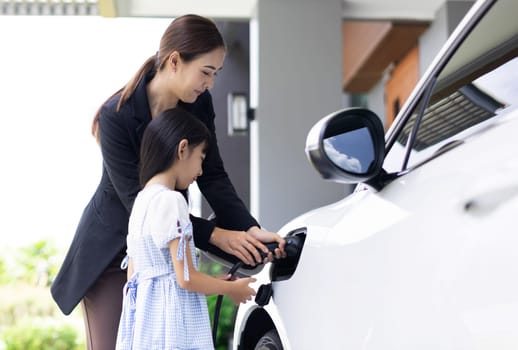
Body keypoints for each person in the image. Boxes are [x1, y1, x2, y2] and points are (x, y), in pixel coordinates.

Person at [51, 14, 285, 350]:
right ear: (175, 61)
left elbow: (214, 173)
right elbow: (141, 203)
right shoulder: (115, 116)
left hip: (169, 253)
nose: (211, 84)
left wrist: (248, 232)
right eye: (206, 72)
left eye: (216, 74)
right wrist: (219, 235)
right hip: (114, 254)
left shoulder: (198, 103)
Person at [115, 108, 256, 350]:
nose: (200, 171)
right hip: (174, 328)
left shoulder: (141, 202)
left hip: (147, 328)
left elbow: (142, 276)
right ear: (182, 149)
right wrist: (231, 289)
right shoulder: (172, 201)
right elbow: (185, 278)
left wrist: (212, 281)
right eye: (201, 157)